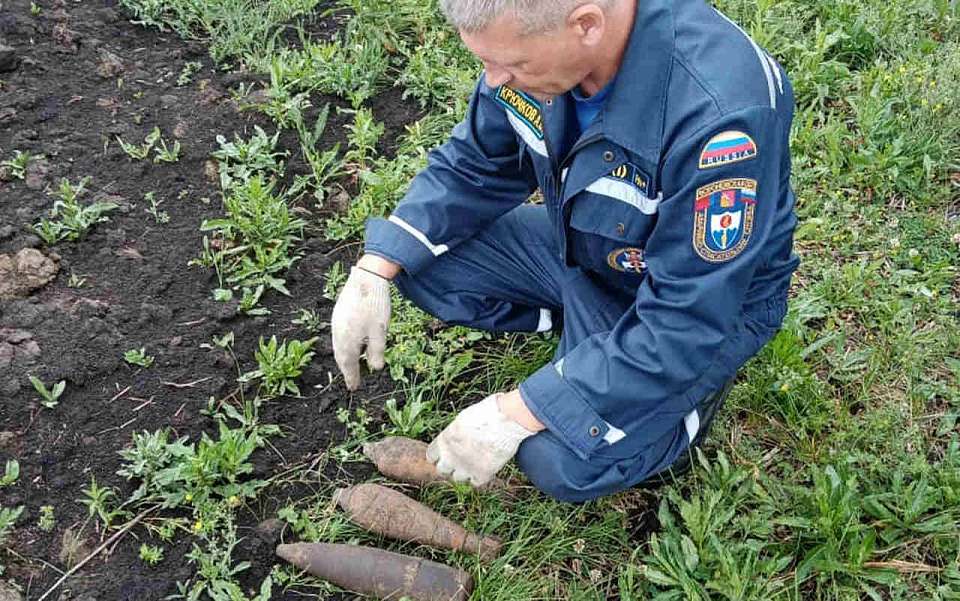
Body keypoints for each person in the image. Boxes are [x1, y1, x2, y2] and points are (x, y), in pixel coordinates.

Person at [330, 0, 799, 503]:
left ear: (587, 25)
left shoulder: (719, 119)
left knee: (559, 459)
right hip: (590, 252)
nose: (492, 82)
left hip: (699, 307)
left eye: (513, 65)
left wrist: (518, 411)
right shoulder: (531, 55)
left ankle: (685, 409)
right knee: (419, 257)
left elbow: (686, 320)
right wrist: (373, 269)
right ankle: (582, 334)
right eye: (487, 62)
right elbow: (474, 163)